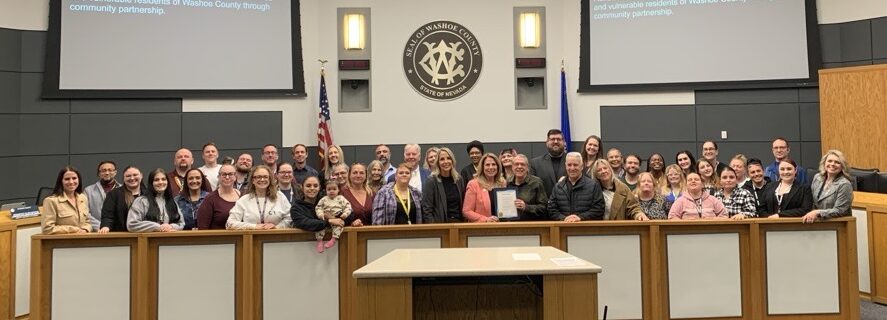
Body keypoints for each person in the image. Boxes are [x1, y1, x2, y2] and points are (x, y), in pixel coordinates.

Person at [226, 165, 292, 230]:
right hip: (251, 239)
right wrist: (254, 227)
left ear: (270, 179)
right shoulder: (244, 200)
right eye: (258, 177)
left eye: (265, 177)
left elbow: (290, 218)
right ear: (253, 180)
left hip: (277, 238)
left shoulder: (280, 197)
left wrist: (277, 227)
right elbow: (230, 223)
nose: (262, 179)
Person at [549, 153, 606, 222]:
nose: (572, 168)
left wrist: (580, 217)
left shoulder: (593, 186)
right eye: (569, 165)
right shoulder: (558, 187)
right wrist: (564, 218)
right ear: (565, 166)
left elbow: (599, 209)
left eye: (575, 165)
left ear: (582, 166)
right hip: (563, 229)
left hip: (586, 230)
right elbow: (551, 210)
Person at [803, 150, 854, 223]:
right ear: (824, 163)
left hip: (838, 224)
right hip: (817, 223)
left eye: (837, 162)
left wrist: (818, 212)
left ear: (842, 166)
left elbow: (840, 210)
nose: (832, 164)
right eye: (829, 161)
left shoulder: (844, 184)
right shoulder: (817, 178)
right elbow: (813, 202)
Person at [42, 166, 91, 234]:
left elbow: (88, 222)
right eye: (67, 179)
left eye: (74, 178)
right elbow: (47, 228)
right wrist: (74, 229)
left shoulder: (83, 198)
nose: (71, 182)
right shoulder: (51, 201)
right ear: (61, 181)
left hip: (82, 241)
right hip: (61, 242)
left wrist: (85, 229)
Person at [422, 147, 465, 223]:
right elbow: (427, 210)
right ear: (437, 162)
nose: (446, 161)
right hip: (440, 226)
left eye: (448, 158)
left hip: (459, 224)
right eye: (442, 159)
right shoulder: (431, 181)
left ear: (452, 160)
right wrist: (434, 228)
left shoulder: (459, 180)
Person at [463, 153, 507, 223]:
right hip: (481, 229)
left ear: (498, 167)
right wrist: (486, 219)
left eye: (493, 164)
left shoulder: (502, 183)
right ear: (482, 167)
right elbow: (467, 211)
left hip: (500, 227)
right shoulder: (473, 184)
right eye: (487, 165)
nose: (491, 167)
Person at [99, 166, 143, 233]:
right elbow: (107, 216)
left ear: (141, 176)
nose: (132, 178)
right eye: (128, 176)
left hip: (145, 234)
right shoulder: (113, 194)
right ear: (123, 178)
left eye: (135, 175)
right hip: (122, 235)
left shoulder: (148, 194)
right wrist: (106, 226)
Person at [196, 164, 240, 230]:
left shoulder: (242, 197)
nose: (227, 177)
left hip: (241, 239)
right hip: (217, 239)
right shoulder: (210, 199)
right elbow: (202, 228)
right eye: (224, 174)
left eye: (230, 174)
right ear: (218, 177)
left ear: (235, 177)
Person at [314, 181, 351, 252]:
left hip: (337, 218)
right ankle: (319, 241)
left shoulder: (341, 198)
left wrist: (345, 214)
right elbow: (318, 207)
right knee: (319, 226)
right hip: (325, 219)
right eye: (329, 189)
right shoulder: (323, 199)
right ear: (326, 190)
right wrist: (320, 214)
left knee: (339, 225)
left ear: (338, 190)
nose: (331, 191)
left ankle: (334, 239)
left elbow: (348, 206)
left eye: (334, 189)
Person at [508, 154, 548, 221]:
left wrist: (526, 207)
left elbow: (544, 207)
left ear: (527, 167)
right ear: (512, 167)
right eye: (516, 164)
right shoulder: (507, 183)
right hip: (512, 226)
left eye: (522, 164)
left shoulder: (536, 182)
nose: (519, 166)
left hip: (531, 226)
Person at [83, 160, 120, 232]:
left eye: (110, 170)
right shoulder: (88, 191)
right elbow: (85, 213)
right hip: (96, 231)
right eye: (103, 170)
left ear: (115, 172)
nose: (107, 173)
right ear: (99, 174)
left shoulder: (122, 190)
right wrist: (101, 226)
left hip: (118, 230)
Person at [530, 129, 567, 196]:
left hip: (568, 205)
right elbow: (533, 189)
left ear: (564, 142)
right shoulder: (535, 163)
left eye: (558, 139)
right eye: (552, 139)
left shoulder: (573, 162)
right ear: (547, 142)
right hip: (544, 205)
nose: (555, 141)